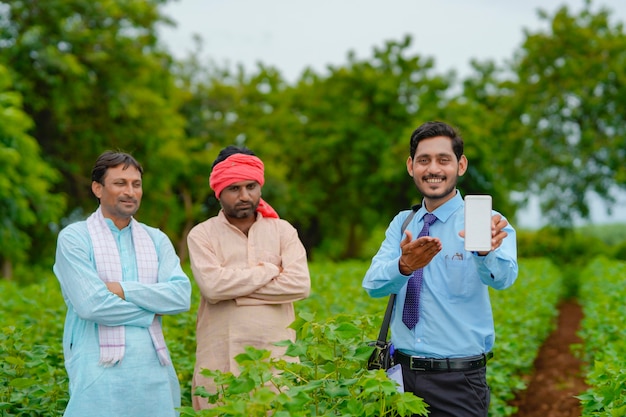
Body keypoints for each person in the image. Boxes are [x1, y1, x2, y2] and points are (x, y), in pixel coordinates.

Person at [362, 121, 518, 417]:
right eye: (424, 160)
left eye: (443, 160)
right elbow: (372, 285)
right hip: (400, 377)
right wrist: (403, 266)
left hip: (459, 381)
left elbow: (504, 279)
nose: (433, 169)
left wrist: (485, 252)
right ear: (411, 166)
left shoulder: (489, 222)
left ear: (460, 165)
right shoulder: (403, 224)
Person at [53, 151, 192, 417]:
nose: (130, 191)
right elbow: (92, 305)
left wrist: (122, 289)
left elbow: (180, 297)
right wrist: (152, 309)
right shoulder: (75, 238)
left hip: (153, 368)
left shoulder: (156, 239)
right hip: (97, 370)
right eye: (120, 183)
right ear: (98, 188)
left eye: (136, 184)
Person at [187, 145, 311, 410]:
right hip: (220, 364)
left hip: (277, 366)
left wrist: (234, 291)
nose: (244, 195)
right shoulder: (202, 235)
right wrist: (267, 271)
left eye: (251, 186)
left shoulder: (283, 231)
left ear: (260, 187)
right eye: (234, 188)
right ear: (219, 191)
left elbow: (299, 284)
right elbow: (212, 287)